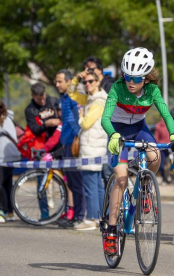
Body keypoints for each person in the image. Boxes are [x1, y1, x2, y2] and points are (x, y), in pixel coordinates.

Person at [101, 47, 174, 256]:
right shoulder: (118, 88)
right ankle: (112, 230)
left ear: (146, 78)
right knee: (121, 178)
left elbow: (166, 114)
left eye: (136, 78)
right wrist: (112, 135)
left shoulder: (152, 91)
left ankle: (145, 186)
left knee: (155, 156)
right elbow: (104, 118)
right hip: (117, 131)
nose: (131, 82)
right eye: (128, 76)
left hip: (139, 129)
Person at [75, 72, 108, 231]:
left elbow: (86, 123)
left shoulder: (99, 100)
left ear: (97, 81)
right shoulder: (91, 98)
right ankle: (101, 217)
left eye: (90, 81)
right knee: (97, 185)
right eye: (85, 82)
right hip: (94, 147)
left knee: (91, 185)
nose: (87, 84)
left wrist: (81, 116)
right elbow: (73, 94)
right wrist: (76, 78)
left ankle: (91, 219)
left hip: (92, 147)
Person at [55, 69, 86, 228]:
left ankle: (80, 216)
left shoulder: (74, 97)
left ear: (69, 82)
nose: (57, 84)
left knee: (77, 182)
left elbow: (82, 117)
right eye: (56, 81)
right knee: (72, 184)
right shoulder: (64, 98)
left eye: (60, 81)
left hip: (74, 145)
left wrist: (78, 136)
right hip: (66, 144)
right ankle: (75, 216)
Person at [24, 82, 60, 219]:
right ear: (33, 96)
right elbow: (34, 129)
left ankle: (67, 211)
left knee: (65, 178)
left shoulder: (53, 101)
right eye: (39, 99)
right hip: (42, 147)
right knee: (42, 182)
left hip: (58, 144)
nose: (42, 100)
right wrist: (46, 123)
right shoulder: (30, 110)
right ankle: (44, 213)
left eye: (43, 97)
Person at [154, 119, 170, 184]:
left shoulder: (158, 126)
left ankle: (164, 179)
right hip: (169, 146)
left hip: (162, 147)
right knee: (169, 164)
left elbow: (156, 138)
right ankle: (169, 178)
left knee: (162, 164)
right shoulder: (169, 124)